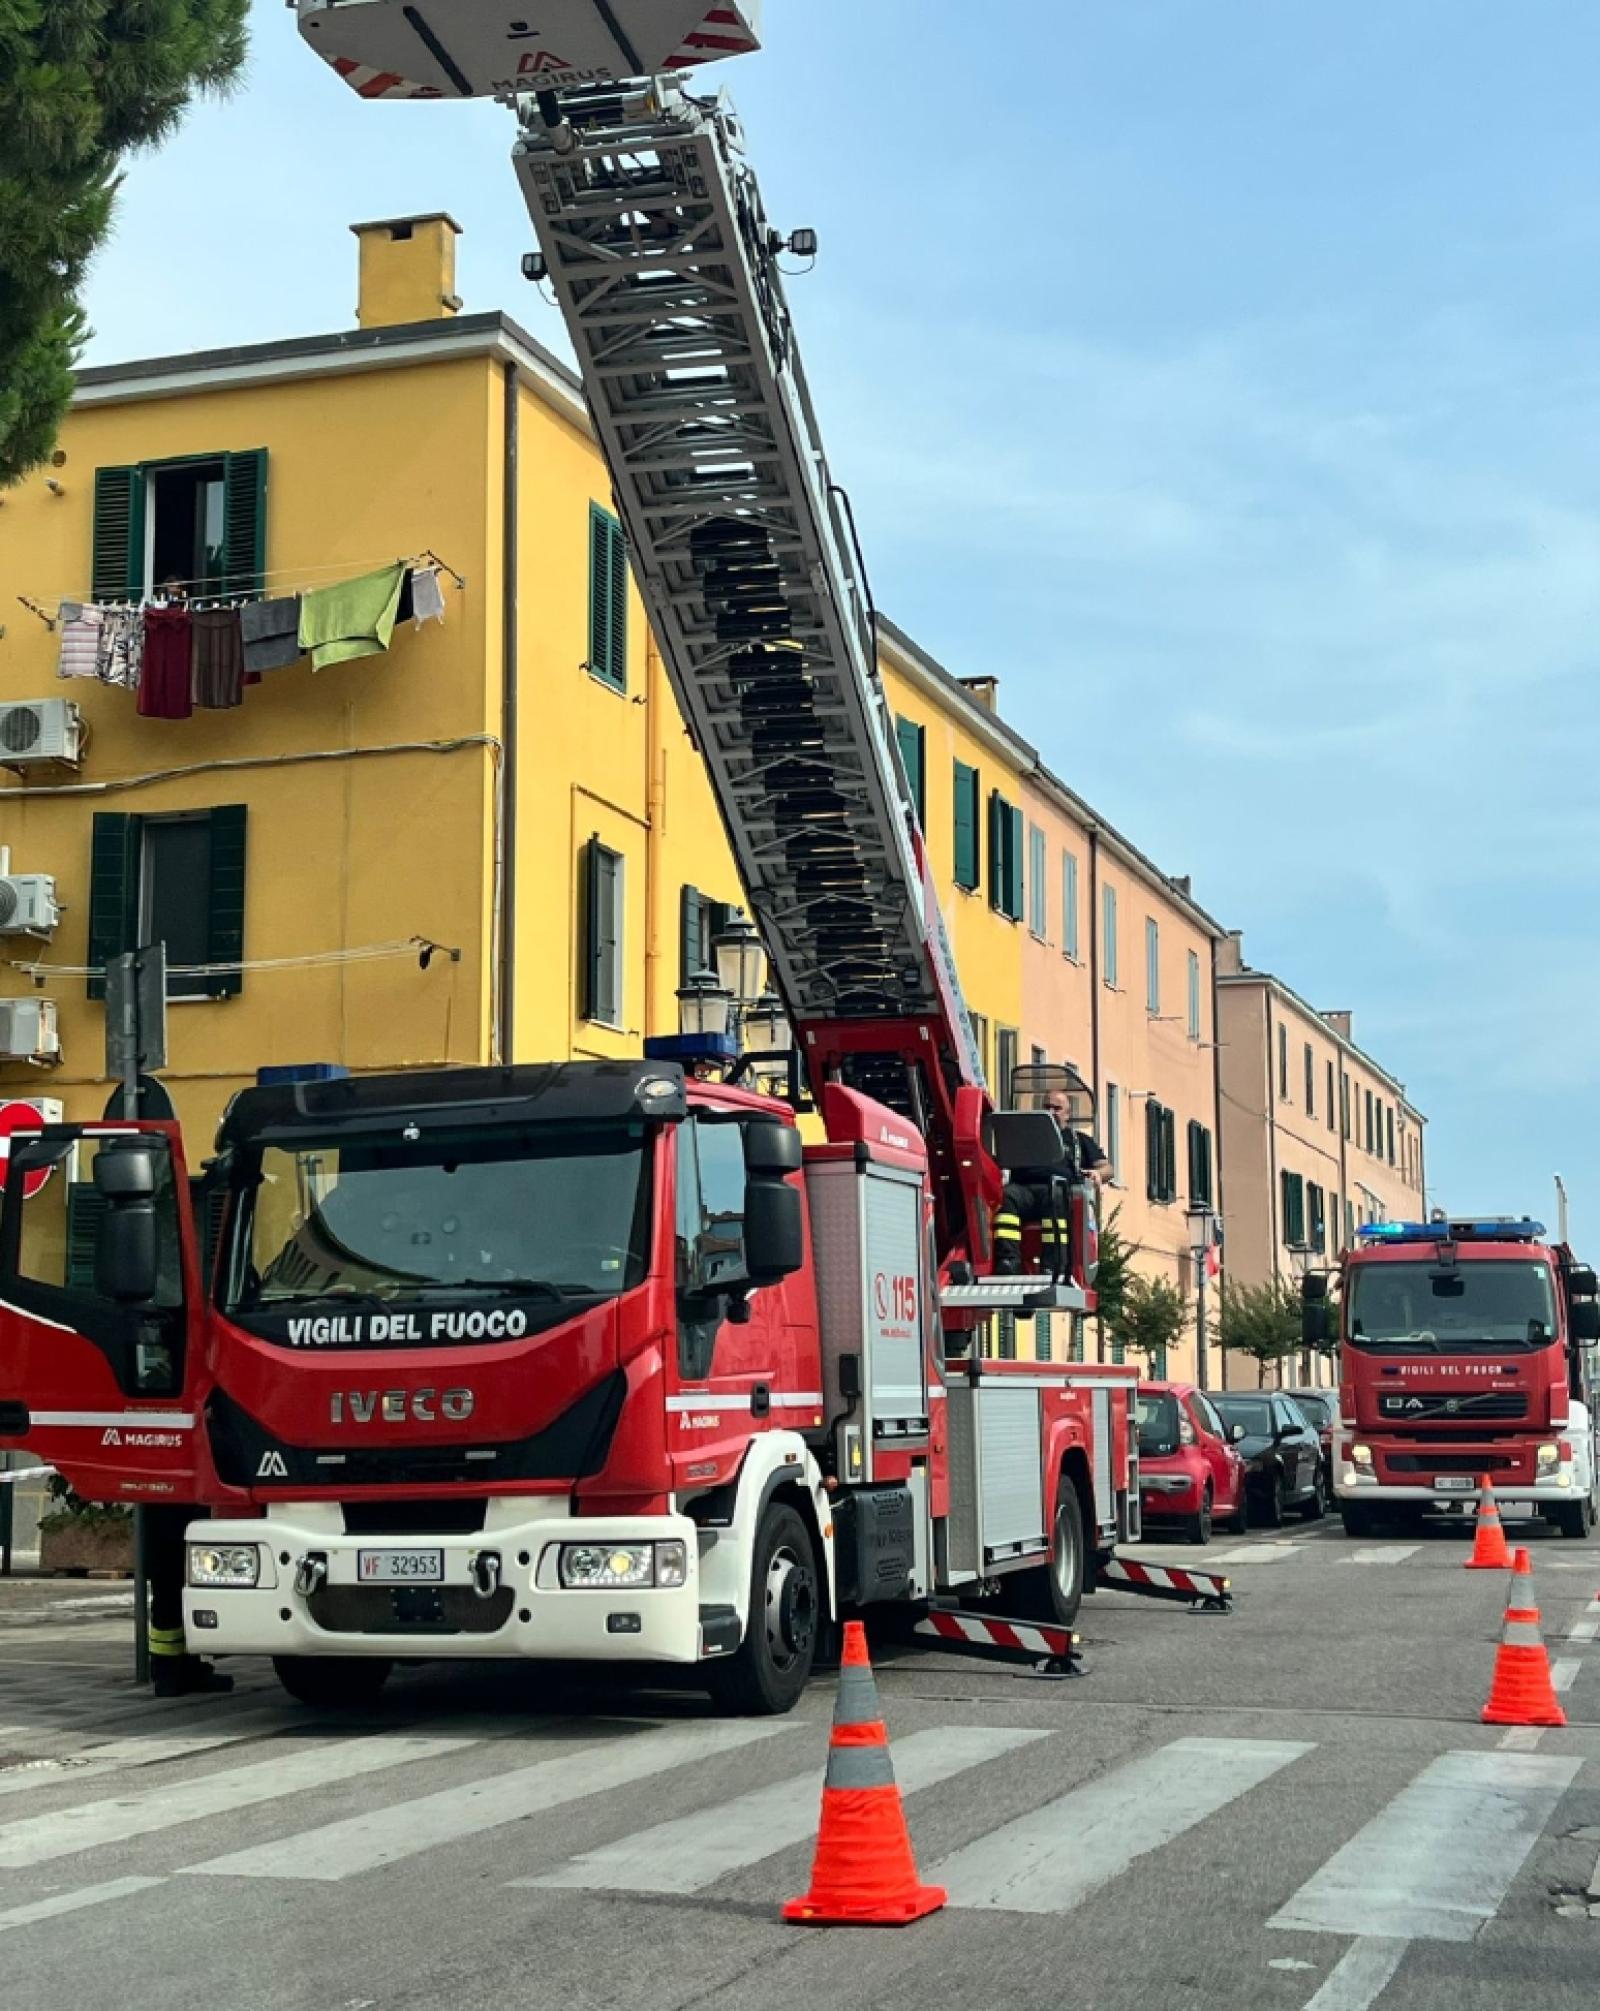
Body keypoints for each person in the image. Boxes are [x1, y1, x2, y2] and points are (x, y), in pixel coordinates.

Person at [993, 1087, 1109, 1277]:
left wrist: (1098, 1174)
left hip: (1057, 1192)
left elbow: (1107, 1168)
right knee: (1007, 1196)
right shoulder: (1026, 1138)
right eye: (1047, 1107)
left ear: (1068, 1114)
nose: (1051, 1112)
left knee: (1055, 1197)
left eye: (1057, 1108)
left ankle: (1053, 1265)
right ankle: (1009, 1261)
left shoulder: (1079, 1140)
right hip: (1025, 1191)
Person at [144, 1503, 232, 1697]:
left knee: (171, 1595)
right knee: (177, 1592)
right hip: (179, 1512)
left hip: (165, 1514)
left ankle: (177, 1670)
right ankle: (172, 1672)